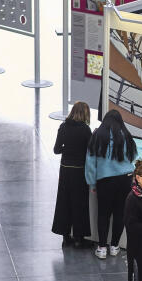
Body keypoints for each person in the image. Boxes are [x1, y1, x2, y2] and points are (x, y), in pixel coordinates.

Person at [85, 110, 137, 259]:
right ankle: (114, 246)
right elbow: (133, 156)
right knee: (120, 213)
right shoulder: (126, 135)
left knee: (103, 214)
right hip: (125, 179)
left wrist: (92, 183)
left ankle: (101, 248)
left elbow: (90, 163)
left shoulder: (97, 136)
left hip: (105, 181)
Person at [51, 101, 93, 247]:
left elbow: (56, 150)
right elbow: (91, 151)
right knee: (79, 203)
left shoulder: (63, 127)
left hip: (65, 170)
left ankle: (65, 236)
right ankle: (79, 238)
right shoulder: (85, 130)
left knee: (64, 202)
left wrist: (66, 149)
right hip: (79, 171)